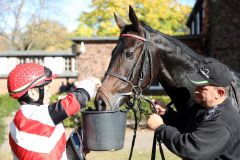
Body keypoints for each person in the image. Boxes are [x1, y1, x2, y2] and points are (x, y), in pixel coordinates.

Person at [147, 61, 240, 160]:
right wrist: (166, 113)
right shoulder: (203, 108)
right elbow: (185, 126)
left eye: (202, 88)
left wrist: (160, 127)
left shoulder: (222, 121)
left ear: (219, 93)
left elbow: (191, 148)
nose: (196, 90)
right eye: (196, 86)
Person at [7, 63, 101, 160]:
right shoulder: (39, 115)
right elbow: (78, 99)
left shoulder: (15, 122)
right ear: (32, 93)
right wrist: (90, 82)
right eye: (47, 90)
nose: (49, 94)